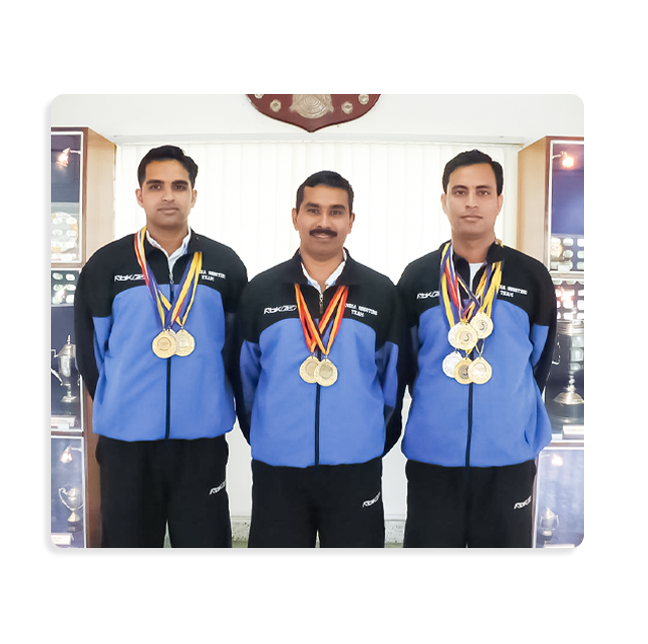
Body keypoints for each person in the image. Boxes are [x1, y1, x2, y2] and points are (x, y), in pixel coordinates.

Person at [74, 145, 247, 548]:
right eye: (156, 186)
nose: (168, 196)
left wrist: (208, 399)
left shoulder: (225, 264)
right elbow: (91, 354)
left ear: (193, 195)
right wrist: (122, 403)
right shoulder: (107, 264)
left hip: (201, 442)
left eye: (178, 186)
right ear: (140, 195)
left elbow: (236, 351)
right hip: (126, 444)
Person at [236, 170, 407, 548]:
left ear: (351, 220)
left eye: (336, 212)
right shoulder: (260, 291)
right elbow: (245, 379)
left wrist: (366, 438)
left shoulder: (381, 292)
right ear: (295, 216)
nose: (324, 222)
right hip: (277, 467)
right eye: (313, 210)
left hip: (355, 466)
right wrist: (269, 434)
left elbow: (392, 382)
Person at [397, 150, 556, 548]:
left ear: (499, 201)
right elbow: (407, 362)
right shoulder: (417, 276)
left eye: (483, 192)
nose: (471, 202)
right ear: (444, 200)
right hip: (433, 457)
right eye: (460, 191)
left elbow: (538, 363)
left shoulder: (531, 276)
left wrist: (507, 414)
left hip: (508, 458)